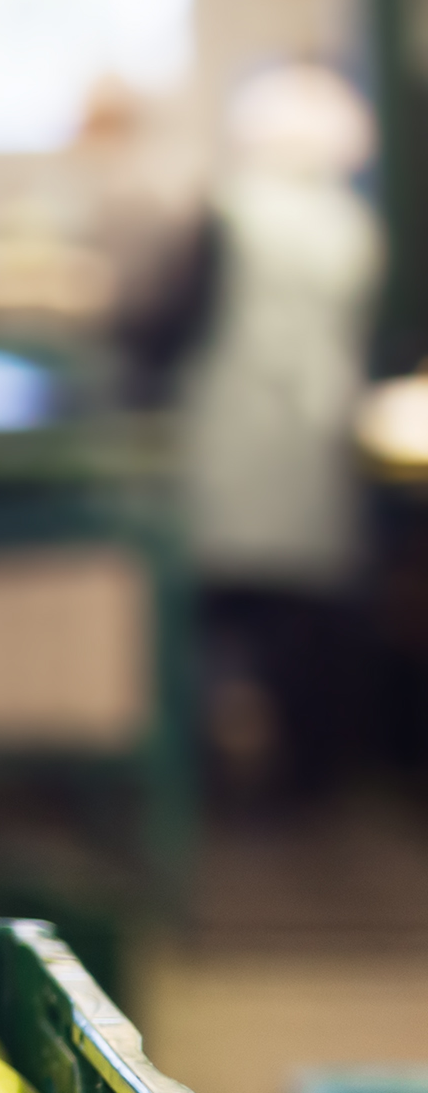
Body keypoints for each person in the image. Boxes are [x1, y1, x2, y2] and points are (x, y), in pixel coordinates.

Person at [177, 61, 385, 804]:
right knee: (303, 617)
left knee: (216, 610)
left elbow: (180, 321)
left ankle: (209, 773)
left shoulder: (230, 212)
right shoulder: (352, 224)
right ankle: (308, 781)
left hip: (231, 437)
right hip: (314, 432)